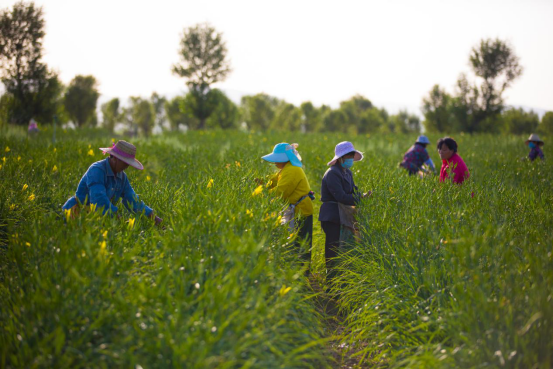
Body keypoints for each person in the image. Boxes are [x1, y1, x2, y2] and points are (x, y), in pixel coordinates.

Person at [62, 140, 162, 225]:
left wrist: (154, 217)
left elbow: (133, 200)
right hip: (76, 213)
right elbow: (99, 199)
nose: (127, 166)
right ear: (113, 157)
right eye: (124, 162)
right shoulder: (97, 170)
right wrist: (118, 218)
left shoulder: (122, 177)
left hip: (97, 217)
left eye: (128, 163)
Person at [261, 143, 314, 270]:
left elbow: (281, 192)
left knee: (301, 242)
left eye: (276, 159)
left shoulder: (292, 170)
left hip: (301, 211)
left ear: (284, 158)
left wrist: (261, 193)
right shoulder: (285, 169)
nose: (274, 163)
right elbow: (272, 181)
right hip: (297, 210)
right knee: (296, 240)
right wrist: (261, 183)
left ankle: (302, 272)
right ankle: (298, 270)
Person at [319, 141, 364, 282]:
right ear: (340, 158)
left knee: (343, 248)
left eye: (352, 156)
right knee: (332, 249)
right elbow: (341, 197)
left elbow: (353, 190)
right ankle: (331, 282)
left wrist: (363, 195)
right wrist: (359, 199)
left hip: (342, 214)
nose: (351, 159)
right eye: (348, 156)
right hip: (332, 215)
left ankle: (342, 280)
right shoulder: (332, 173)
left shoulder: (347, 172)